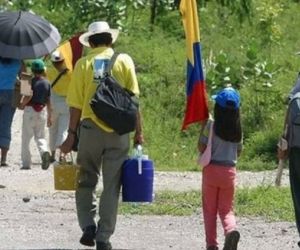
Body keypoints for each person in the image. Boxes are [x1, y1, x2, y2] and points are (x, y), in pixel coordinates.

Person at [60, 21, 143, 250]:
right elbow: (134, 101)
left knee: (86, 180)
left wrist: (71, 135)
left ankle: (88, 226)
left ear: (91, 42)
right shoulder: (124, 61)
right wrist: (139, 133)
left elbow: (75, 104)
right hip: (118, 132)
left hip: (89, 131)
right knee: (112, 185)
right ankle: (104, 237)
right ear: (110, 40)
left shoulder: (83, 64)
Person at [198, 87, 242, 250]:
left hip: (211, 171)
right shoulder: (238, 129)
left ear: (218, 108)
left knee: (210, 209)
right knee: (226, 210)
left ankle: (211, 244)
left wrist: (203, 127)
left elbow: (202, 147)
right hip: (229, 172)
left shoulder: (211, 124)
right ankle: (231, 231)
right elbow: (239, 151)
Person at [19, 59, 52, 170]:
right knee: (40, 136)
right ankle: (44, 152)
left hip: (30, 111)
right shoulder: (47, 83)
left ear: (32, 70)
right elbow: (48, 101)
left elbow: (28, 96)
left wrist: (22, 105)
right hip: (42, 111)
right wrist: (50, 116)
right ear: (43, 70)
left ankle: (26, 163)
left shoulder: (28, 81)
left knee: (26, 138)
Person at [278, 89, 300, 248]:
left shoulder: (295, 101)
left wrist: (282, 152)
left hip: (297, 154)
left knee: (299, 195)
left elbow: (285, 134)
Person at [47, 50, 72, 162]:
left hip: (53, 102)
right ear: (63, 60)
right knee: (64, 129)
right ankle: (62, 155)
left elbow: (36, 71)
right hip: (66, 103)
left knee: (53, 130)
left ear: (52, 62)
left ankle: (52, 154)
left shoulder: (49, 71)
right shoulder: (71, 73)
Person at [0, 57, 24, 167]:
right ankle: (3, 158)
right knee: (6, 124)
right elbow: (26, 78)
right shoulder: (19, 60)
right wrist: (24, 99)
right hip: (11, 94)